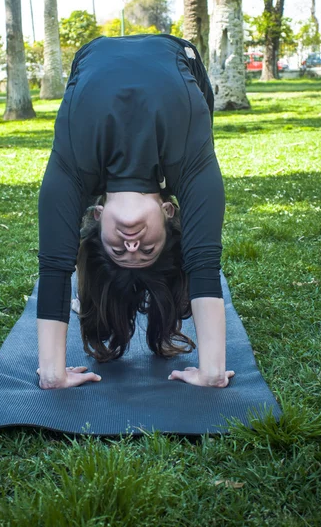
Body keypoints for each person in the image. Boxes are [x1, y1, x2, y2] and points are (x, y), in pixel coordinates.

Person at [37, 34, 235, 390]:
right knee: (203, 118)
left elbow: (54, 266)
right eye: (147, 251)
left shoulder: (73, 172)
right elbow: (204, 262)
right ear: (169, 211)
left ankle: (89, 294)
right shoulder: (191, 165)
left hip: (89, 55)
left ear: (96, 217)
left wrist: (52, 372)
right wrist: (212, 370)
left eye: (117, 250)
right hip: (179, 54)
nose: (131, 245)